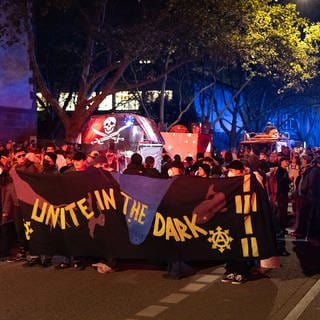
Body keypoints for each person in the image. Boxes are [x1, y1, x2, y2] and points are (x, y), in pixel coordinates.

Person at [221, 160, 251, 284]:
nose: (230, 173)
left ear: (240, 171)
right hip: (230, 218)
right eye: (229, 171)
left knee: (242, 245)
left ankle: (242, 271)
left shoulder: (248, 182)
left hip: (244, 218)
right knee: (230, 244)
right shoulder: (228, 183)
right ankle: (230, 270)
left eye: (232, 170)